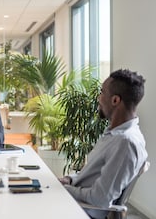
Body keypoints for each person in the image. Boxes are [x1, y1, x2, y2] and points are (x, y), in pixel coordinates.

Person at [59, 69, 148, 219]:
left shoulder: (125, 143)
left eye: (102, 93)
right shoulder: (114, 134)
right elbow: (93, 176)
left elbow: (100, 199)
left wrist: (65, 189)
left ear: (115, 100)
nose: (99, 98)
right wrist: (71, 180)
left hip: (81, 210)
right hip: (75, 203)